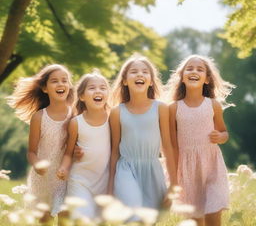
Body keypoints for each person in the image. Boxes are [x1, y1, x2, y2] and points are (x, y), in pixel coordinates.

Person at [167, 55, 235, 226]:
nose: (194, 71)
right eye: (189, 69)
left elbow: (224, 132)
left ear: (207, 79)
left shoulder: (213, 105)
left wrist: (221, 137)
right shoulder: (173, 108)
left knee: (213, 213)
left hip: (212, 167)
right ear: (182, 77)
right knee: (196, 221)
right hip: (188, 171)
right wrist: (174, 178)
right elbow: (172, 146)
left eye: (199, 69)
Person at [108, 53, 177, 214]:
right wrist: (110, 185)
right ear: (124, 80)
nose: (140, 74)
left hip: (152, 169)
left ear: (151, 81)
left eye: (145, 72)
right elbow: (114, 151)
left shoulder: (161, 108)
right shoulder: (117, 112)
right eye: (134, 71)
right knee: (132, 212)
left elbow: (167, 146)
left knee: (150, 217)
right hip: (126, 168)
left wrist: (173, 184)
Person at [7, 64, 74, 223]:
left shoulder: (75, 115)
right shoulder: (39, 117)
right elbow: (31, 152)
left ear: (69, 87)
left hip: (66, 177)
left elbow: (75, 145)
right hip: (43, 180)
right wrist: (37, 164)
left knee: (64, 219)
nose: (60, 84)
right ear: (45, 88)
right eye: (54, 81)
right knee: (45, 221)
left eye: (65, 80)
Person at [57, 71, 111, 219]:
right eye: (92, 88)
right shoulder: (76, 123)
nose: (98, 91)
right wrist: (63, 167)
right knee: (81, 219)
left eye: (103, 88)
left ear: (108, 94)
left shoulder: (113, 119)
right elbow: (68, 153)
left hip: (104, 183)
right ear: (82, 96)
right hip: (79, 181)